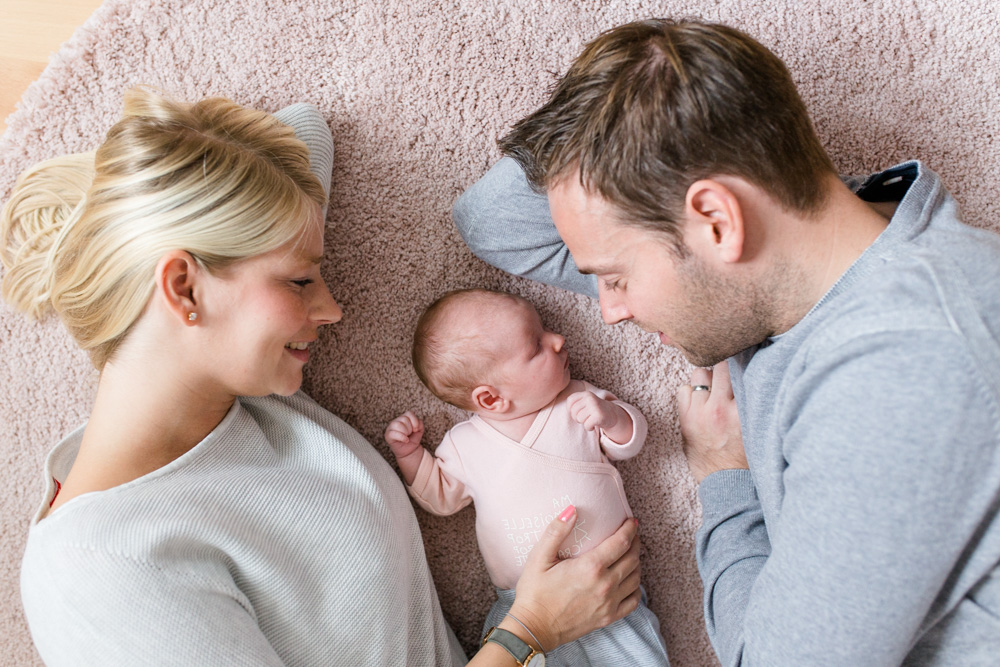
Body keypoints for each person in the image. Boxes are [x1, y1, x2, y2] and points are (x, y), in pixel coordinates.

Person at [1, 87, 644, 666]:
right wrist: (527, 633)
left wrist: (131, 207)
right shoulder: (100, 567)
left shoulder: (247, 399)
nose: (333, 309)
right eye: (302, 281)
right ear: (181, 287)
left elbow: (304, 132)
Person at [452, 18, 1000, 667]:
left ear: (716, 221)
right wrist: (626, 98)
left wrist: (726, 478)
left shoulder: (906, 369)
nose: (610, 310)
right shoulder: (780, 270)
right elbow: (493, 224)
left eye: (616, 277)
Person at [385, 288, 671, 667]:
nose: (558, 340)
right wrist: (411, 457)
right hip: (522, 608)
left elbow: (628, 442)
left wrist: (611, 417)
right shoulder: (464, 444)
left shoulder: (577, 402)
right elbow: (441, 498)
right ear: (490, 399)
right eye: (537, 345)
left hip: (610, 591)